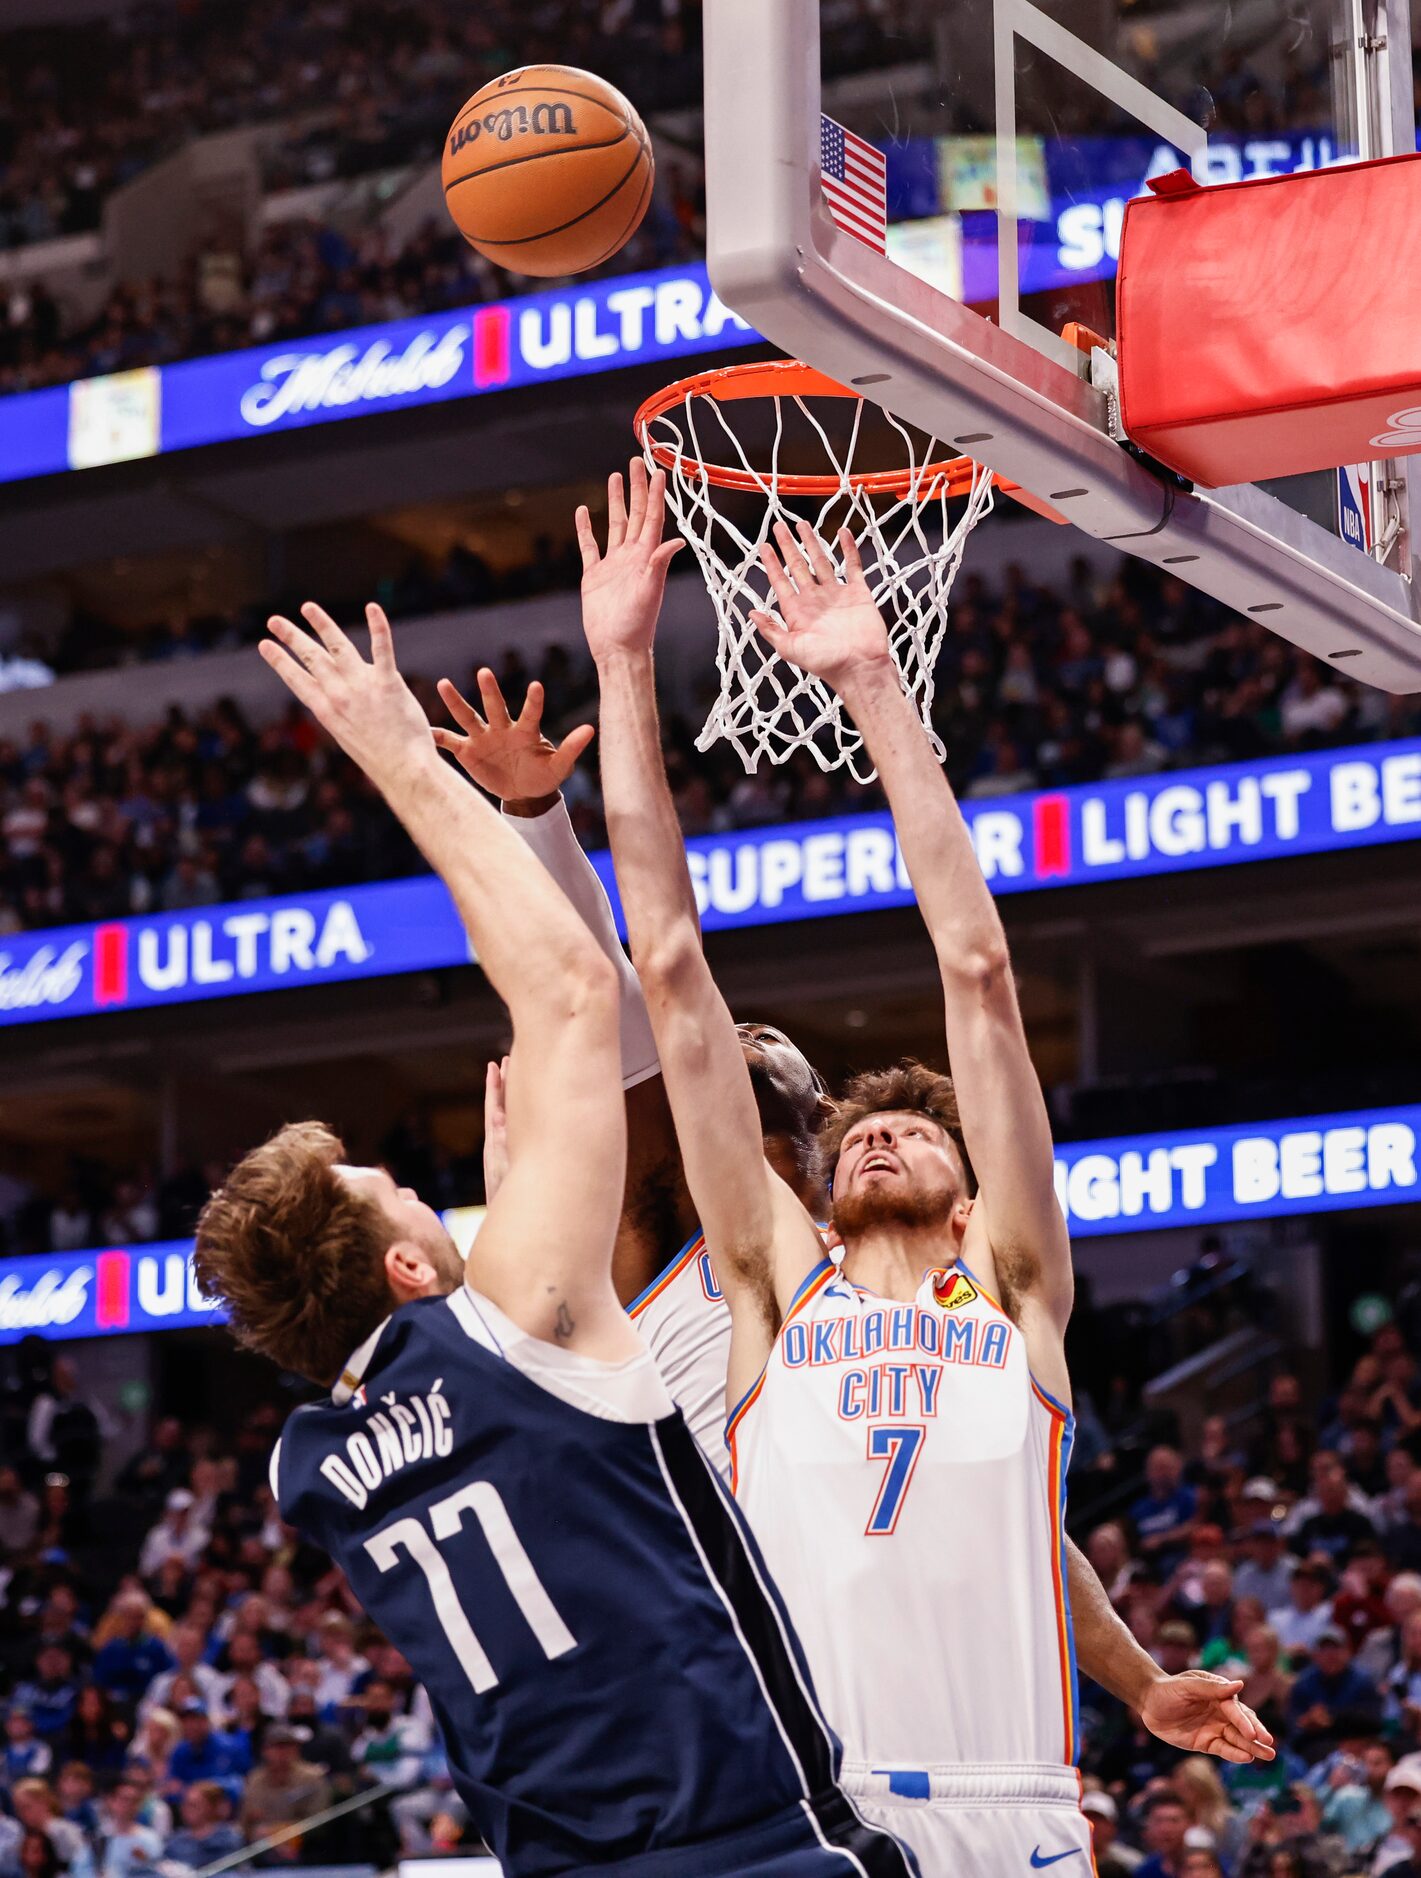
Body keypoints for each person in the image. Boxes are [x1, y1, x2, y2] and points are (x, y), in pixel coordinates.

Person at [578, 466, 1274, 1872]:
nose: (879, 1134)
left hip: (1016, 1811)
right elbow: (668, 966)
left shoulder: (1015, 1299)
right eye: (856, 1136)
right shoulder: (774, 1291)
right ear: (821, 1189)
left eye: (920, 1128)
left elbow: (977, 967)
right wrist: (620, 665)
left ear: (971, 1191)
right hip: (819, 1816)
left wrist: (873, 685)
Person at [195, 593, 916, 1876]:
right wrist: (436, 770)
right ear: (406, 1266)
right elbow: (609, 995)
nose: (424, 1190)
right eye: (397, 1192)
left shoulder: (310, 1464)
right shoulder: (569, 1291)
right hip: (753, 1818)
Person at [433, 665, 826, 1481]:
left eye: (759, 1036)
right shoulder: (670, 1207)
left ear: (819, 1113)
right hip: (714, 1568)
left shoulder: (889, 1247)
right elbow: (603, 982)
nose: (739, 1035)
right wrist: (534, 813)